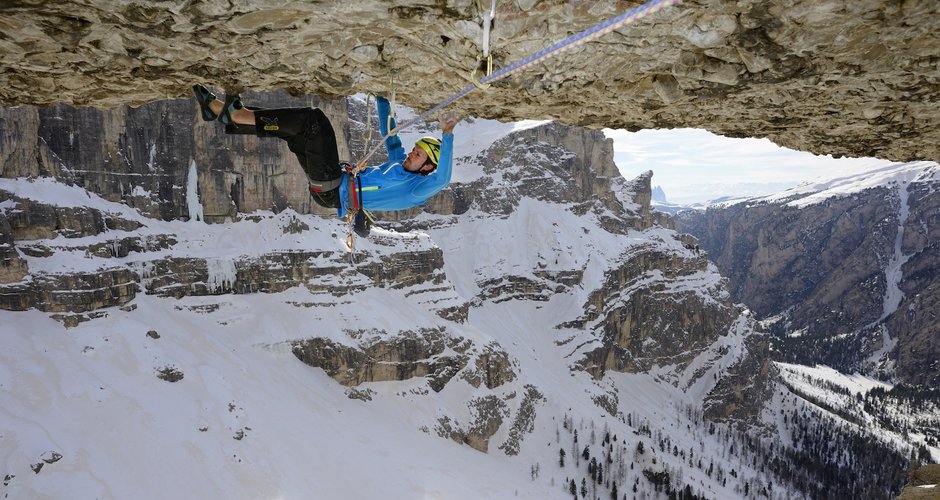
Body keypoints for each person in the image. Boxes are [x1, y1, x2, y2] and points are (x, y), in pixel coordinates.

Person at [192, 85, 458, 236]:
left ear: (428, 167)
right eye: (416, 149)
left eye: (419, 155)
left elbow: (443, 179)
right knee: (295, 131)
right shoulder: (399, 163)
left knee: (314, 121)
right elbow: (390, 136)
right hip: (332, 183)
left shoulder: (415, 190)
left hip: (334, 190)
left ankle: (237, 116)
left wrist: (447, 135)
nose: (412, 153)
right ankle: (220, 112)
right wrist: (381, 97)